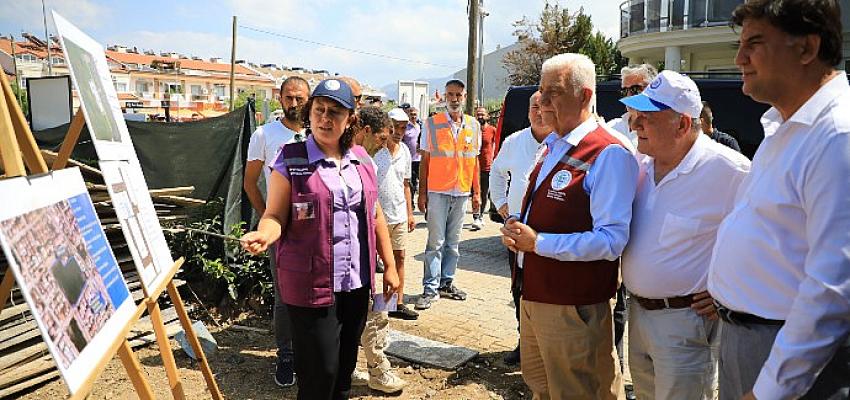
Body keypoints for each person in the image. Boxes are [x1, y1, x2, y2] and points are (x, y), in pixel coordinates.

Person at [707, 1, 850, 399]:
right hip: (752, 343)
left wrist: (770, 389)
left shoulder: (837, 135)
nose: (739, 58)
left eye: (754, 42)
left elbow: (834, 288)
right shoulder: (786, 127)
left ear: (806, 48)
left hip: (791, 359)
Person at [241, 79, 400, 400]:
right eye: (320, 111)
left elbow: (375, 215)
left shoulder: (360, 161)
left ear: (350, 119)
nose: (326, 119)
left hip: (356, 286)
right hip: (310, 287)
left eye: (336, 112)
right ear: (310, 114)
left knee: (342, 374)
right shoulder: (292, 157)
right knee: (319, 375)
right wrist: (263, 233)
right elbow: (274, 215)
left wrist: (391, 267)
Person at [501, 53, 638, 400]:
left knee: (579, 392)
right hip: (536, 296)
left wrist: (539, 243)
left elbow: (611, 241)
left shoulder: (608, 153)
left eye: (553, 93)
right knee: (542, 388)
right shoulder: (552, 145)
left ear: (585, 96)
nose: (542, 103)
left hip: (572, 308)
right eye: (541, 92)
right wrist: (521, 227)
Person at [619, 70, 751, 399]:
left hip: (685, 324)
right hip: (638, 314)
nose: (635, 125)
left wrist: (727, 292)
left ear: (681, 124)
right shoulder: (642, 163)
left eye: (647, 117)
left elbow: (771, 239)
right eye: (636, 115)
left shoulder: (730, 170)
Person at [242, 75, 309, 388]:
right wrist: (268, 218)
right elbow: (249, 182)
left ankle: (312, 351)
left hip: (315, 230)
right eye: (289, 98)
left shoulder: (318, 134)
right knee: (284, 296)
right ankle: (286, 355)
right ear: (280, 99)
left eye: (300, 98)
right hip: (281, 232)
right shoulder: (264, 135)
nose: (294, 103)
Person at [348, 106, 408, 394]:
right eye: (382, 139)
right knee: (369, 314)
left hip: (374, 251)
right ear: (366, 131)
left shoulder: (368, 161)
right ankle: (371, 369)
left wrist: (390, 263)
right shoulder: (353, 160)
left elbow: (377, 214)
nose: (384, 145)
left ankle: (371, 366)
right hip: (355, 258)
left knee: (380, 310)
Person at [488, 91, 550, 366]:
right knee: (519, 290)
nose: (538, 111)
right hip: (516, 231)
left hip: (548, 235)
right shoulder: (514, 141)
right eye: (533, 107)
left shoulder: (560, 142)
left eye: (543, 106)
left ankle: (545, 347)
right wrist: (500, 202)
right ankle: (525, 344)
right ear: (528, 112)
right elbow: (496, 173)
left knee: (545, 293)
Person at [415, 79, 481, 310]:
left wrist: (477, 193)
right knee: (435, 243)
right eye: (450, 95)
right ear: (444, 97)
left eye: (458, 95)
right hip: (438, 191)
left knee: (453, 243)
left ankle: (446, 283)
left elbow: (474, 161)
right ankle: (429, 289)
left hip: (461, 191)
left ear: (464, 98)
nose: (454, 99)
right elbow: (425, 161)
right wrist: (421, 194)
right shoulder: (431, 124)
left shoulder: (473, 125)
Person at [607, 64, 658, 147]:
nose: (628, 96)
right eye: (624, 91)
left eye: (635, 89)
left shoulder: (661, 132)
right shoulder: (611, 127)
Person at [471, 106, 496, 231]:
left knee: (483, 192)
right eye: (478, 114)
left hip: (486, 167)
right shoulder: (471, 130)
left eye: (482, 114)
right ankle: (475, 215)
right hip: (471, 167)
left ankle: (479, 216)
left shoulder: (492, 130)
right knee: (473, 193)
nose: (480, 116)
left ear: (487, 116)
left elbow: (497, 146)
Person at [400, 105, 422, 200]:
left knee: (421, 181)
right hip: (409, 160)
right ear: (408, 115)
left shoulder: (420, 127)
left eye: (415, 114)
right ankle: (411, 201)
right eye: (411, 114)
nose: (413, 116)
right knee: (411, 182)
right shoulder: (405, 128)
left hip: (419, 159)